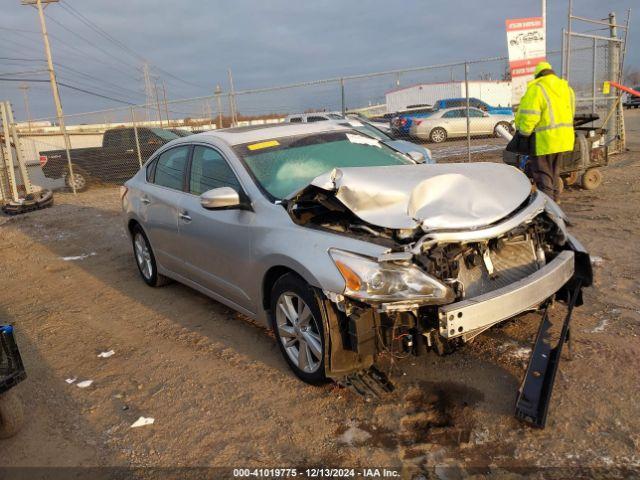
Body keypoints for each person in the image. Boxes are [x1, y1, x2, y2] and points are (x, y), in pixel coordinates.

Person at [514, 61, 575, 201]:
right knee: (554, 171)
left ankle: (548, 205)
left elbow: (530, 115)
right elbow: (571, 113)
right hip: (564, 139)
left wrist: (524, 133)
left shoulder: (537, 88)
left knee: (542, 173)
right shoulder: (566, 88)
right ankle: (556, 199)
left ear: (538, 75)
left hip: (544, 139)